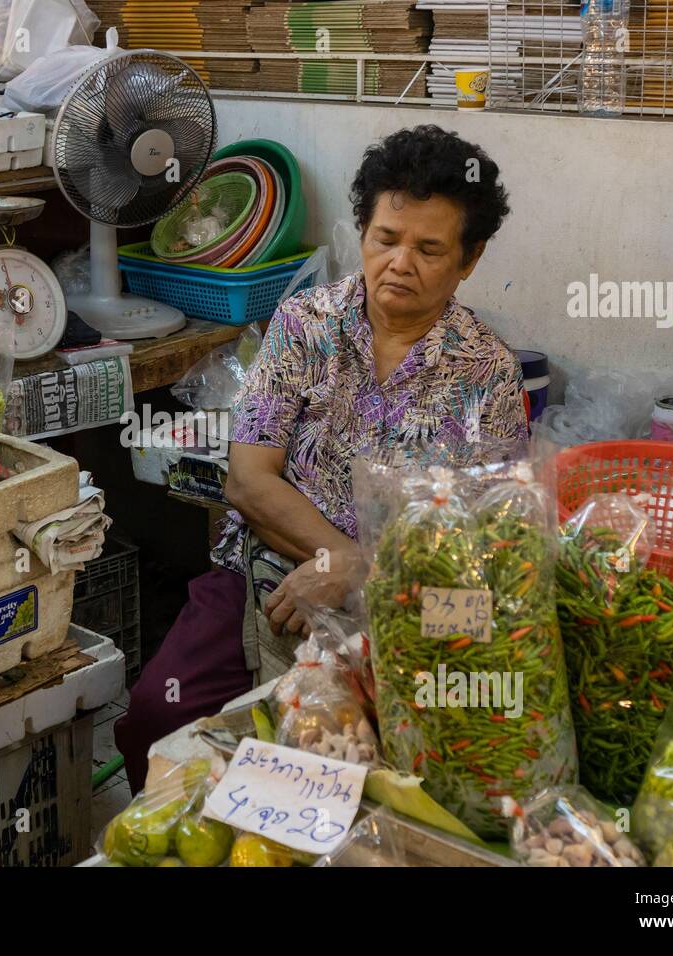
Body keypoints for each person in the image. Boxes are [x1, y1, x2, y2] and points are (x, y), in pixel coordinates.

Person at [114, 125, 530, 789]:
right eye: (386, 239)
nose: (399, 263)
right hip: (270, 571)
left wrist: (368, 578)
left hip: (409, 601)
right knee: (154, 719)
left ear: (469, 259)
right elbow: (250, 481)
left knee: (388, 772)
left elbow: (488, 553)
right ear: (361, 232)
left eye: (429, 249)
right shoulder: (305, 324)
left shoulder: (489, 375)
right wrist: (337, 558)